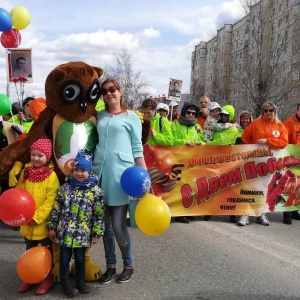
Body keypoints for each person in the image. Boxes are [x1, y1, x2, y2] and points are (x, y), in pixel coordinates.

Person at [92, 78, 147, 284]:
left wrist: (145, 177)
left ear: (120, 91)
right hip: (99, 176)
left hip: (120, 177)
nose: (108, 94)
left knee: (118, 226)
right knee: (104, 227)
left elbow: (137, 148)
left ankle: (128, 264)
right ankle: (110, 266)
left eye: (112, 89)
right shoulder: (99, 116)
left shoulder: (131, 117)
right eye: (104, 92)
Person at [47, 149, 104, 297]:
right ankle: (66, 286)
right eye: (76, 170)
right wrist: (52, 225)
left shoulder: (95, 191)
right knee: (64, 259)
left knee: (80, 259)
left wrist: (97, 232)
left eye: (83, 170)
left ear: (89, 171)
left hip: (82, 234)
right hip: (65, 232)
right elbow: (57, 208)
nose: (79, 173)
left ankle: (80, 282)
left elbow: (98, 214)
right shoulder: (65, 188)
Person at [14, 138, 60, 295]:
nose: (36, 158)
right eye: (33, 155)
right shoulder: (25, 174)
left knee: (45, 253)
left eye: (40, 155)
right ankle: (29, 277)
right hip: (27, 222)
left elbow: (50, 201)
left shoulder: (51, 176)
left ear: (47, 157)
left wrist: (37, 217)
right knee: (30, 250)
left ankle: (47, 278)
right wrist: (22, 216)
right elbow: (19, 195)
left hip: (42, 223)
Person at [238, 101, 288, 226]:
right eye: (265, 110)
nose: (268, 113)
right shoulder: (255, 124)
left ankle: (261, 214)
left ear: (274, 111)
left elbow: (283, 143)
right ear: (262, 112)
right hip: (254, 163)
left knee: (266, 189)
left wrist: (267, 141)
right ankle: (246, 215)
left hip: (270, 165)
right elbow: (244, 139)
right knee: (250, 188)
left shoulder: (280, 126)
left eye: (271, 110)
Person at [171, 102, 205, 223]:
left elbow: (203, 141)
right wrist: (184, 142)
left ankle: (187, 210)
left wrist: (201, 144)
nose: (191, 115)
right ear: (184, 112)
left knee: (190, 186)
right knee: (179, 186)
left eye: (193, 113)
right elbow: (171, 140)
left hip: (193, 161)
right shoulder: (175, 125)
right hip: (178, 159)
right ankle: (179, 213)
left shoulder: (198, 127)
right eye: (188, 112)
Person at [282, 103, 300, 224]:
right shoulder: (288, 123)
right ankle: (287, 213)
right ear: (297, 110)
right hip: (292, 158)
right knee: (290, 186)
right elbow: (283, 141)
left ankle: (294, 211)